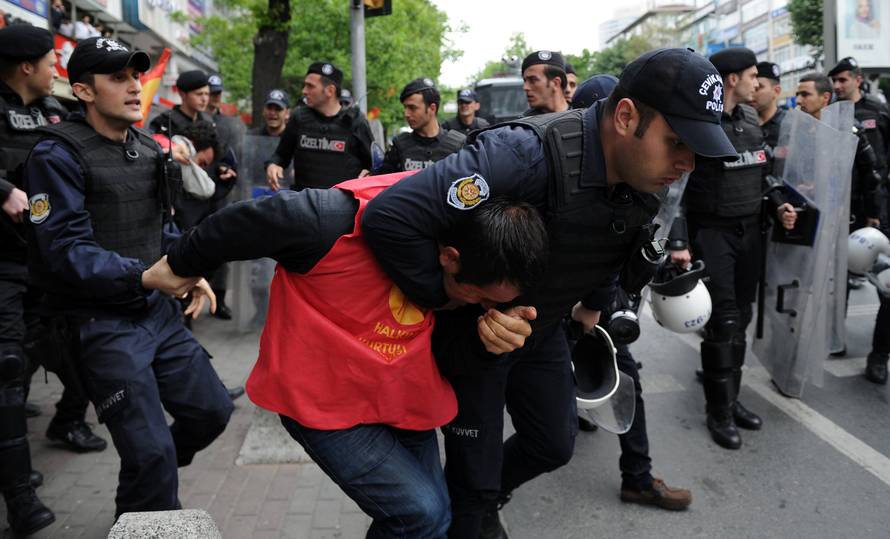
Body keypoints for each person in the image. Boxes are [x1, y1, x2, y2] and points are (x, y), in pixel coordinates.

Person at [362, 47, 737, 539]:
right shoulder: (521, 155)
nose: (686, 164)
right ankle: (464, 510)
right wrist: (451, 295)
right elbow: (389, 218)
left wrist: (592, 309)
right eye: (676, 143)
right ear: (626, 117)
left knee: (554, 443)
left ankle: (474, 499)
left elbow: (610, 238)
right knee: (469, 494)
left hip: (544, 333)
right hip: (477, 340)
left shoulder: (646, 175)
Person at [143, 170, 549, 538]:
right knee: (421, 514)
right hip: (325, 404)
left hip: (403, 398)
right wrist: (182, 263)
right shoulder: (332, 221)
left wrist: (489, 345)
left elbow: (452, 351)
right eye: (478, 296)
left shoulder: (474, 235)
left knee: (432, 518)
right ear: (449, 256)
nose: (479, 306)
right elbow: (241, 221)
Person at [21, 37, 234, 518]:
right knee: (151, 453)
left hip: (157, 314)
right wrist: (148, 276)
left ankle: (148, 487)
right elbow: (64, 253)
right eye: (118, 78)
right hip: (100, 326)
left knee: (212, 411)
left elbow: (163, 227)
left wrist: (187, 268)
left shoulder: (145, 148)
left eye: (135, 75)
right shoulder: (56, 156)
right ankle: (149, 505)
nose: (135, 86)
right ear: (84, 91)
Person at [569, 73, 692, 510]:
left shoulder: (641, 182)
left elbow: (656, 225)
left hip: (608, 297)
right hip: (563, 301)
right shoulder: (562, 171)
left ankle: (636, 475)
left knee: (624, 378)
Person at [668, 48, 797, 451]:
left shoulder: (749, 118)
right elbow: (677, 189)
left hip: (749, 232)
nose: (757, 82)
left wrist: (780, 204)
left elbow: (765, 174)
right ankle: (718, 412)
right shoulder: (701, 123)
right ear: (730, 79)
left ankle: (732, 399)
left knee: (741, 317)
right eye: (752, 75)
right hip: (713, 233)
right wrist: (679, 241)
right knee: (722, 323)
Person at [0, 24, 58, 536]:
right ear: (26, 67)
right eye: (49, 60)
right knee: (8, 369)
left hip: (43, 263)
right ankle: (19, 497)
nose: (54, 67)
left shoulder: (51, 112)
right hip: (3, 265)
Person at [796, 72, 886, 382]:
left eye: (805, 95)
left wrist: (873, 215)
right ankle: (824, 335)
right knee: (819, 279)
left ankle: (871, 350)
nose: (799, 101)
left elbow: (871, 173)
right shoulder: (800, 129)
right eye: (798, 95)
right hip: (812, 218)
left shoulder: (851, 130)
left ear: (825, 98)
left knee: (855, 276)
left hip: (853, 217)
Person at [265, 62, 374, 191]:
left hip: (342, 205)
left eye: (310, 86)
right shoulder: (299, 118)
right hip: (304, 203)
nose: (304, 91)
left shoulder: (355, 121)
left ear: (330, 90)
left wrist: (369, 173)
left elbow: (374, 164)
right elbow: (281, 155)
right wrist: (274, 165)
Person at [829, 57, 890, 233]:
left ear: (858, 80)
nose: (837, 86)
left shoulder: (877, 108)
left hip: (878, 193)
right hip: (845, 198)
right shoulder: (833, 112)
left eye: (842, 80)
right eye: (834, 81)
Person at [378, 78, 466, 174]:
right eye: (405, 107)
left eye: (412, 108)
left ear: (432, 108)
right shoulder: (399, 146)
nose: (406, 114)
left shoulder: (458, 145)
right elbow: (382, 182)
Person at [149, 70, 214, 136]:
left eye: (207, 94)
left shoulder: (208, 122)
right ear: (182, 94)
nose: (204, 99)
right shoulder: (166, 122)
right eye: (199, 94)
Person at [521, 50, 569, 116]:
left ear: (555, 83)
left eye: (533, 80)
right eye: (525, 81)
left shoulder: (584, 119)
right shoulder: (524, 124)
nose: (525, 87)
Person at [752, 61, 785, 157]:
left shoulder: (789, 124)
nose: (752, 92)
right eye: (752, 86)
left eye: (758, 87)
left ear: (776, 91)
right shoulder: (742, 124)